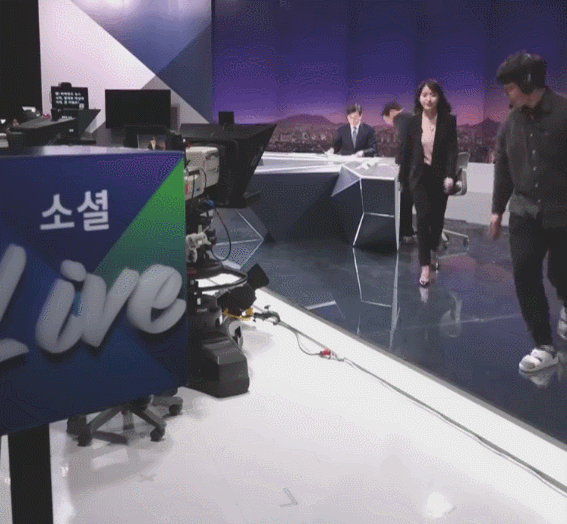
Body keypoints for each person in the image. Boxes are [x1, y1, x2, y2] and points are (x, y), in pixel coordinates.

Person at [489, 50, 567, 373]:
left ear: (528, 82)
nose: (507, 95)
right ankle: (544, 345)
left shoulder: (563, 114)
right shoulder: (510, 123)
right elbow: (503, 169)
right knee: (524, 273)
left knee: (560, 273)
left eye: (510, 88)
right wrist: (497, 210)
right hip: (524, 212)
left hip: (562, 212)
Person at [398, 80, 458, 287]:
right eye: (424, 95)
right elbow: (405, 153)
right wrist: (403, 179)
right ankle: (424, 267)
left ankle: (432, 250)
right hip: (419, 177)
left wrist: (450, 176)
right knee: (423, 219)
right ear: (419, 98)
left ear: (438, 97)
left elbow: (452, 151)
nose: (428, 99)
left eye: (432, 94)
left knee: (436, 220)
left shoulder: (448, 121)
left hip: (440, 177)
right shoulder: (412, 122)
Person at [382, 101, 415, 243]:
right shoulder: (410, 118)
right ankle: (407, 231)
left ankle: (405, 233)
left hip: (414, 168)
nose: (389, 123)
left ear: (391, 113)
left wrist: (400, 167)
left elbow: (406, 146)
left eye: (386, 120)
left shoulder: (401, 120)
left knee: (404, 197)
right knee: (407, 197)